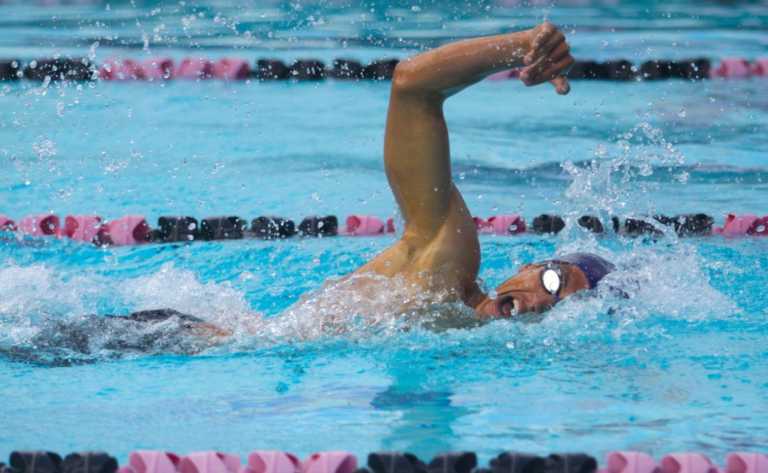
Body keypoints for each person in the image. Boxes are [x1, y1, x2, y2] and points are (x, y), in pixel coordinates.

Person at [6, 23, 616, 364]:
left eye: (562, 307)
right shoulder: (447, 264)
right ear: (533, 264)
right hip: (171, 340)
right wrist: (519, 48)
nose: (543, 303)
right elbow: (413, 88)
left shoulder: (462, 343)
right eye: (555, 282)